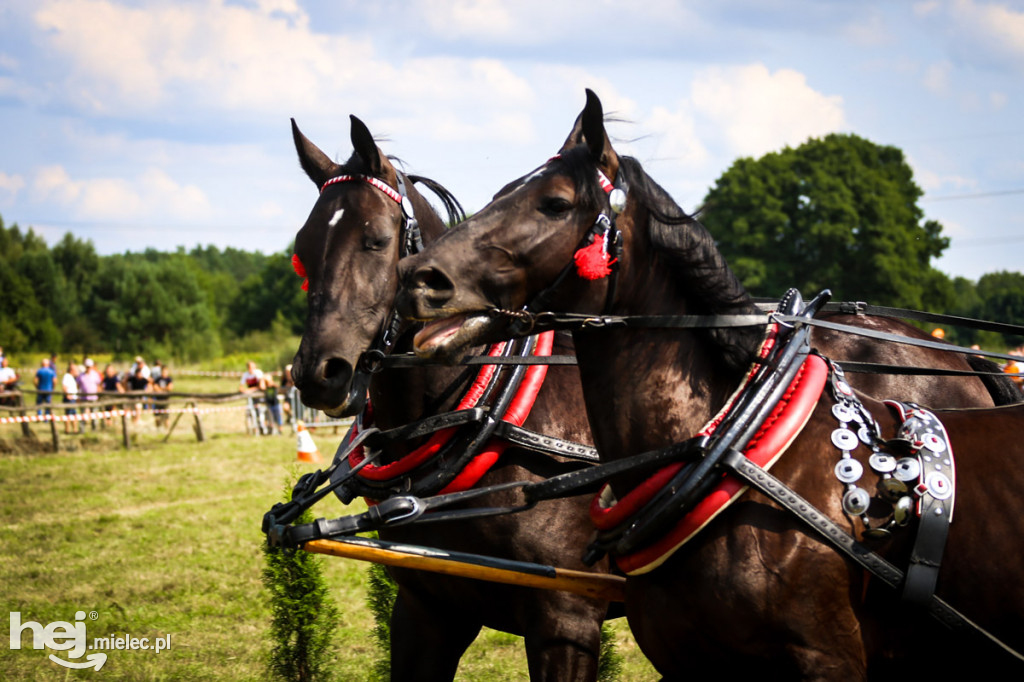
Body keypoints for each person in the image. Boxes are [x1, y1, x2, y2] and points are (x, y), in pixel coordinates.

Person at [77, 358, 102, 429]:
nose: (88, 368)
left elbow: (99, 385)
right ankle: (82, 429)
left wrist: (99, 395)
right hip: (83, 398)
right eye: (87, 366)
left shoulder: (95, 374)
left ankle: (94, 429)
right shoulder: (81, 375)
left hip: (93, 398)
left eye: (89, 366)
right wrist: (78, 396)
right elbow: (78, 386)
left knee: (94, 414)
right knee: (83, 415)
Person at [62, 361, 81, 434]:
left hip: (73, 398)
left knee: (74, 415)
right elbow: (64, 387)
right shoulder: (67, 376)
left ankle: (75, 430)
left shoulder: (72, 377)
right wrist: (67, 395)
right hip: (69, 399)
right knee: (68, 415)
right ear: (71, 370)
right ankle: (67, 430)